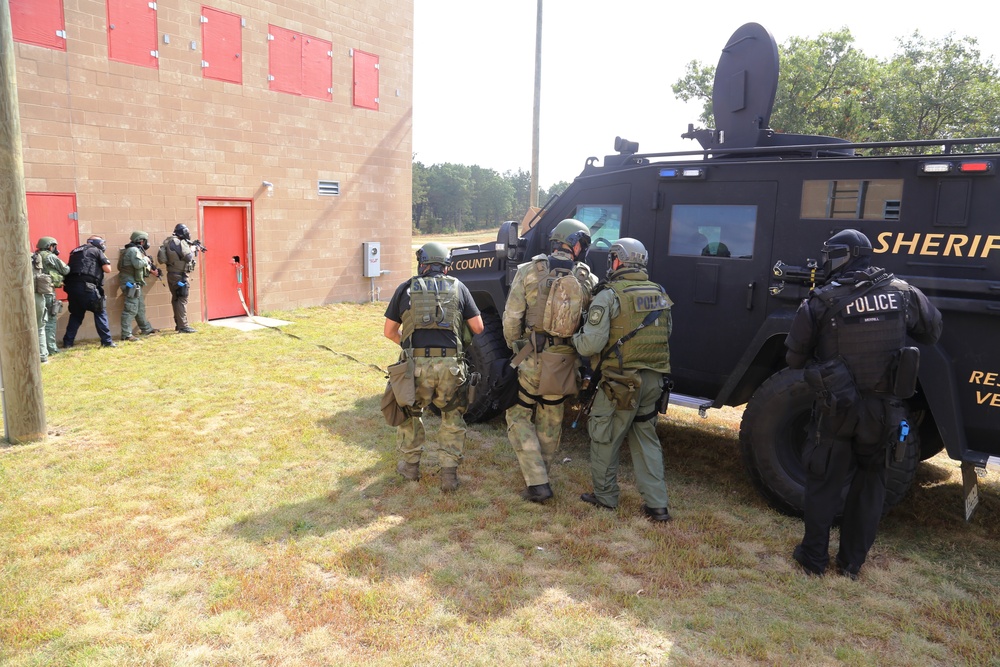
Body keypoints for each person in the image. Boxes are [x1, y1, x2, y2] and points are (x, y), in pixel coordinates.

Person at [785, 229, 942, 579]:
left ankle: (813, 560)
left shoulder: (822, 300)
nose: (826, 262)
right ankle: (852, 565)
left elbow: (795, 359)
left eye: (831, 255)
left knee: (823, 484)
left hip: (837, 410)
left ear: (845, 256)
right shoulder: (903, 293)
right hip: (886, 411)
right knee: (871, 487)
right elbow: (932, 332)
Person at [572, 238, 673, 521]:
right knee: (646, 438)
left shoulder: (609, 295)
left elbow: (591, 344)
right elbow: (667, 334)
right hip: (653, 380)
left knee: (604, 436)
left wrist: (574, 338)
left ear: (618, 261)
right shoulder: (660, 293)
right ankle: (658, 505)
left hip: (619, 382)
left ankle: (605, 497)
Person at [502, 218, 597, 503]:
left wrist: (516, 348)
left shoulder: (530, 271)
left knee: (517, 413)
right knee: (552, 416)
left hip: (532, 356)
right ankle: (541, 476)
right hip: (565, 362)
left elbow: (511, 318)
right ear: (577, 244)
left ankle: (537, 480)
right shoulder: (587, 278)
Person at [383, 242, 484, 492]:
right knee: (451, 416)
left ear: (422, 264)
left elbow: (389, 331)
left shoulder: (405, 288)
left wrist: (408, 347)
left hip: (414, 367)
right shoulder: (459, 288)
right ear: (446, 267)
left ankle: (410, 468)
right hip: (451, 367)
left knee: (410, 413)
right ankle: (449, 476)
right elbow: (479, 327)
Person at [62, 235, 116, 348]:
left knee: (76, 315)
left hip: (72, 288)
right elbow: (108, 269)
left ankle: (67, 342)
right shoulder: (96, 251)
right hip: (87, 287)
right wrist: (102, 255)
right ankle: (107, 342)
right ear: (97, 243)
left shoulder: (75, 251)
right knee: (100, 312)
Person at [32, 237, 70, 362]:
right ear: (50, 246)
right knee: (50, 320)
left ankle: (42, 349)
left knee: (40, 322)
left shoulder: (34, 256)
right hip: (48, 291)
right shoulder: (50, 256)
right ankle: (51, 348)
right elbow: (66, 269)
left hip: (37, 293)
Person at [118, 230, 161, 341]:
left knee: (140, 307)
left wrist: (151, 271)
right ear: (141, 241)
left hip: (133, 282)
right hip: (130, 283)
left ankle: (146, 328)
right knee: (131, 308)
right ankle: (126, 334)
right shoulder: (133, 250)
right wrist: (146, 259)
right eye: (145, 241)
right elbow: (137, 265)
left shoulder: (129, 250)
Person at [158, 223, 198, 333]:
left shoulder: (167, 241)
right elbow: (188, 257)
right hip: (180, 275)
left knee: (176, 298)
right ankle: (183, 326)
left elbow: (163, 259)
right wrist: (192, 249)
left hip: (171, 274)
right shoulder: (181, 242)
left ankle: (178, 324)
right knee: (182, 299)